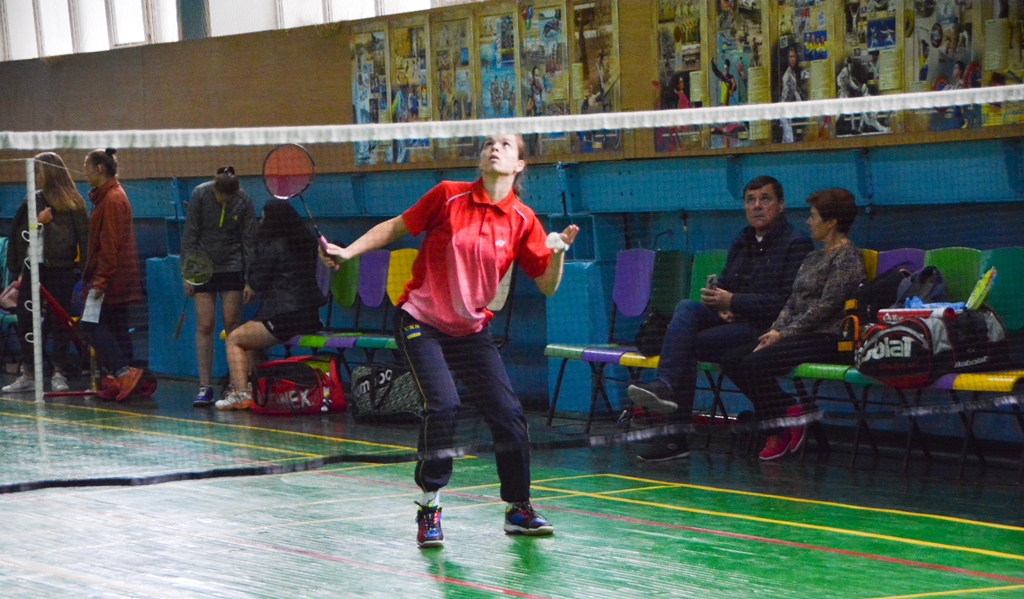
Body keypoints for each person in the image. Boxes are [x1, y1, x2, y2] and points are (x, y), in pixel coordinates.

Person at [322, 134, 578, 548]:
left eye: (506, 145)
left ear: (519, 165)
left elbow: (547, 285)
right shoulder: (448, 196)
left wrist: (559, 253)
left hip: (471, 330)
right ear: (480, 160)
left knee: (509, 414)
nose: (494, 148)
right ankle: (429, 506)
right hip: (420, 319)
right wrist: (349, 252)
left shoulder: (523, 219)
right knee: (443, 405)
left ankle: (518, 508)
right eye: (489, 143)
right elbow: (395, 226)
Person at [627, 176, 813, 461]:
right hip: (733, 321)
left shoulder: (797, 244)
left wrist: (733, 301)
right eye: (750, 200)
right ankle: (665, 386)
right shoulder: (742, 241)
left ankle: (675, 435)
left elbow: (786, 302)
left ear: (781, 205)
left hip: (767, 328)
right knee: (687, 309)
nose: (757, 206)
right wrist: (719, 303)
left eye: (765, 199)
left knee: (685, 345)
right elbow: (727, 285)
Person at [719, 188, 866, 461]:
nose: (808, 222)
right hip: (797, 334)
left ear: (831, 222)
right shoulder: (812, 258)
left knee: (754, 364)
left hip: (829, 338)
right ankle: (790, 412)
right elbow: (792, 301)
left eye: (813, 216)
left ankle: (777, 430)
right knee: (731, 359)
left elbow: (825, 308)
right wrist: (774, 330)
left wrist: (783, 334)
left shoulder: (847, 258)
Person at [215, 200, 326, 411]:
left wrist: (250, 282)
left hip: (283, 317)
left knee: (235, 339)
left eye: (264, 219)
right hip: (310, 317)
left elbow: (257, 280)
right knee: (250, 342)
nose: (261, 223)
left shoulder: (272, 246)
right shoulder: (308, 244)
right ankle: (259, 390)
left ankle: (240, 394)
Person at [2, 152, 89, 394]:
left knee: (60, 322)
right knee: (26, 320)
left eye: (38, 172)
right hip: (33, 270)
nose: (35, 177)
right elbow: (18, 236)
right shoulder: (31, 200)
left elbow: (85, 240)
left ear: (49, 173)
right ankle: (28, 374)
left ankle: (59, 372)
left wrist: (86, 274)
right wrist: (37, 224)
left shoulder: (74, 203)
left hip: (62, 270)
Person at [181, 166, 257, 407]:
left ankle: (237, 384)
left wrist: (250, 280)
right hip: (203, 268)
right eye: (221, 197)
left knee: (232, 324)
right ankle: (204, 387)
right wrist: (188, 274)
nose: (225, 201)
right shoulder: (200, 194)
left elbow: (249, 242)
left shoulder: (243, 201)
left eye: (229, 198)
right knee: (205, 324)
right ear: (214, 189)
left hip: (232, 267)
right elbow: (190, 235)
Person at [80, 148, 144, 401]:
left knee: (90, 324)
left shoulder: (112, 199)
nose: (84, 174)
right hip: (116, 278)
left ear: (99, 169)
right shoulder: (108, 197)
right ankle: (128, 380)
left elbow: (110, 245)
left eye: (87, 169)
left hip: (110, 280)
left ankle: (122, 372)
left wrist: (100, 282)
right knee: (117, 327)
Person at [780, 46, 803, 143]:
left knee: (787, 138)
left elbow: (795, 90)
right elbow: (786, 93)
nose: (792, 59)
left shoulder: (793, 73)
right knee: (788, 138)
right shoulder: (787, 75)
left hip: (788, 110)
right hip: (784, 109)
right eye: (790, 57)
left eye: (794, 56)